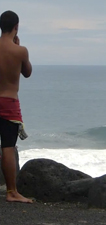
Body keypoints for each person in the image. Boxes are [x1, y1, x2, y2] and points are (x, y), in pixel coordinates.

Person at [0, 10, 32, 203]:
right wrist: (18, 48)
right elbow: (27, 72)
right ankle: (12, 191)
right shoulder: (20, 51)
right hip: (9, 102)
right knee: (8, 147)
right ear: (16, 27)